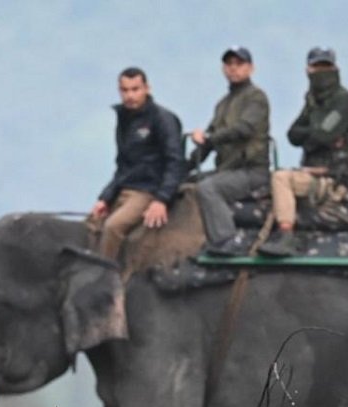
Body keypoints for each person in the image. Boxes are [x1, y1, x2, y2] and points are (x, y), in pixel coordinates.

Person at [259, 47, 348, 257]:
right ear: (308, 70)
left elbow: (322, 135)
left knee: (281, 178)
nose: (321, 72)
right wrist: (315, 132)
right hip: (309, 172)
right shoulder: (312, 101)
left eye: (325, 67)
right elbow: (292, 135)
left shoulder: (344, 102)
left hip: (331, 177)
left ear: (335, 68)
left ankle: (286, 236)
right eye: (316, 67)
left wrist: (314, 133)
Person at [88, 67, 185, 262]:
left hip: (147, 190)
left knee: (113, 226)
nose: (130, 95)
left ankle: (103, 281)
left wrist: (162, 199)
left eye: (135, 89)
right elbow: (122, 165)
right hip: (125, 187)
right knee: (91, 223)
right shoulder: (124, 119)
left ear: (146, 88)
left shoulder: (162, 119)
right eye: (125, 90)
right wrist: (105, 197)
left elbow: (175, 161)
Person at [188, 46, 271, 256]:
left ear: (250, 68)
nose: (233, 69)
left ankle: (227, 240)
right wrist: (183, 168)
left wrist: (209, 138)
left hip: (251, 170)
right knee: (186, 184)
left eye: (239, 64)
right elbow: (208, 142)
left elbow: (244, 128)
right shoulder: (223, 105)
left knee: (209, 188)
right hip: (227, 170)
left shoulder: (256, 98)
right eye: (229, 64)